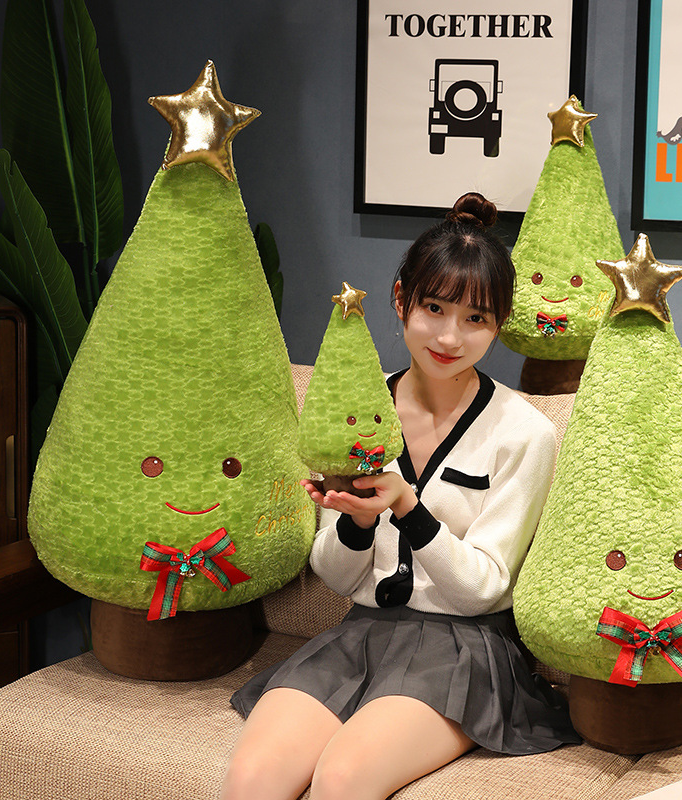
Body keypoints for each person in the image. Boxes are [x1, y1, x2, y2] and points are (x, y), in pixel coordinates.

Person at [222, 192, 579, 800]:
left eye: (476, 319)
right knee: (251, 782)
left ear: (499, 324)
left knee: (341, 780)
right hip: (360, 632)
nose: (450, 336)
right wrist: (357, 524)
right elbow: (338, 577)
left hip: (465, 647)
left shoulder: (524, 434)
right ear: (400, 299)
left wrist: (407, 507)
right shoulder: (357, 414)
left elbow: (484, 589)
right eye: (433, 308)